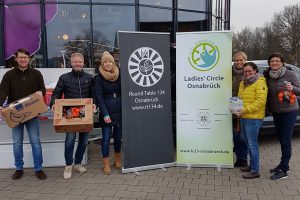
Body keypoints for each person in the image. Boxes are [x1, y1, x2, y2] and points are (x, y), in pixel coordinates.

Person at [0, 48, 47, 180]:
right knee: (17, 142)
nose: (23, 59)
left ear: (29, 59)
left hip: (32, 114)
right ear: (16, 59)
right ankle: (19, 168)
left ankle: (38, 169)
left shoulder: (36, 73)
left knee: (35, 141)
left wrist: (40, 92)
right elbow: (3, 91)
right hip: (15, 114)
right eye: (20, 57)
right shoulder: (9, 75)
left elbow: (42, 88)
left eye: (25, 57)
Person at [50, 52, 94, 179]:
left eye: (80, 62)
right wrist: (53, 103)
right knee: (69, 140)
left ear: (83, 62)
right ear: (71, 63)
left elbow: (93, 94)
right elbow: (56, 94)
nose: (78, 64)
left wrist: (94, 104)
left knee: (84, 140)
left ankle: (78, 163)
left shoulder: (89, 77)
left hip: (85, 113)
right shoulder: (64, 78)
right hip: (69, 114)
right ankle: (68, 165)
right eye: (75, 62)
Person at [263, 53, 300, 180]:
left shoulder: (289, 74)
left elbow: (299, 90)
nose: (274, 63)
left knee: (285, 140)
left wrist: (292, 88)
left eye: (277, 61)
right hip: (276, 112)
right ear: (269, 63)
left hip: (289, 111)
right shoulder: (267, 75)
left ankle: (284, 169)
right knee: (280, 138)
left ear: (282, 62)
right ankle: (282, 164)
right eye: (272, 61)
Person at [235, 62, 267, 179]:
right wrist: (235, 107)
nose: (247, 73)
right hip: (244, 116)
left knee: (252, 144)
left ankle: (255, 170)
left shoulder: (260, 82)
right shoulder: (243, 83)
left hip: (254, 118)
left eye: (249, 71)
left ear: (255, 71)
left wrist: (245, 110)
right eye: (245, 72)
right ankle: (251, 165)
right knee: (248, 143)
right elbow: (240, 99)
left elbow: (260, 101)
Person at [94, 51, 122, 175]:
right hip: (107, 113)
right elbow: (99, 97)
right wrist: (105, 114)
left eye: (110, 61)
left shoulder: (119, 74)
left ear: (113, 62)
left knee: (118, 138)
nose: (108, 64)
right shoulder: (99, 78)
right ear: (102, 63)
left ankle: (117, 159)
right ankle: (106, 164)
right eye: (105, 62)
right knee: (105, 139)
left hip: (119, 111)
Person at [232, 51, 248, 167]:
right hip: (231, 107)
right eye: (237, 60)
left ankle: (242, 158)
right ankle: (238, 157)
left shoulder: (249, 73)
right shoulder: (228, 72)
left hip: (244, 109)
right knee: (235, 135)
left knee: (242, 136)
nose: (239, 62)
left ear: (245, 61)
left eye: (241, 60)